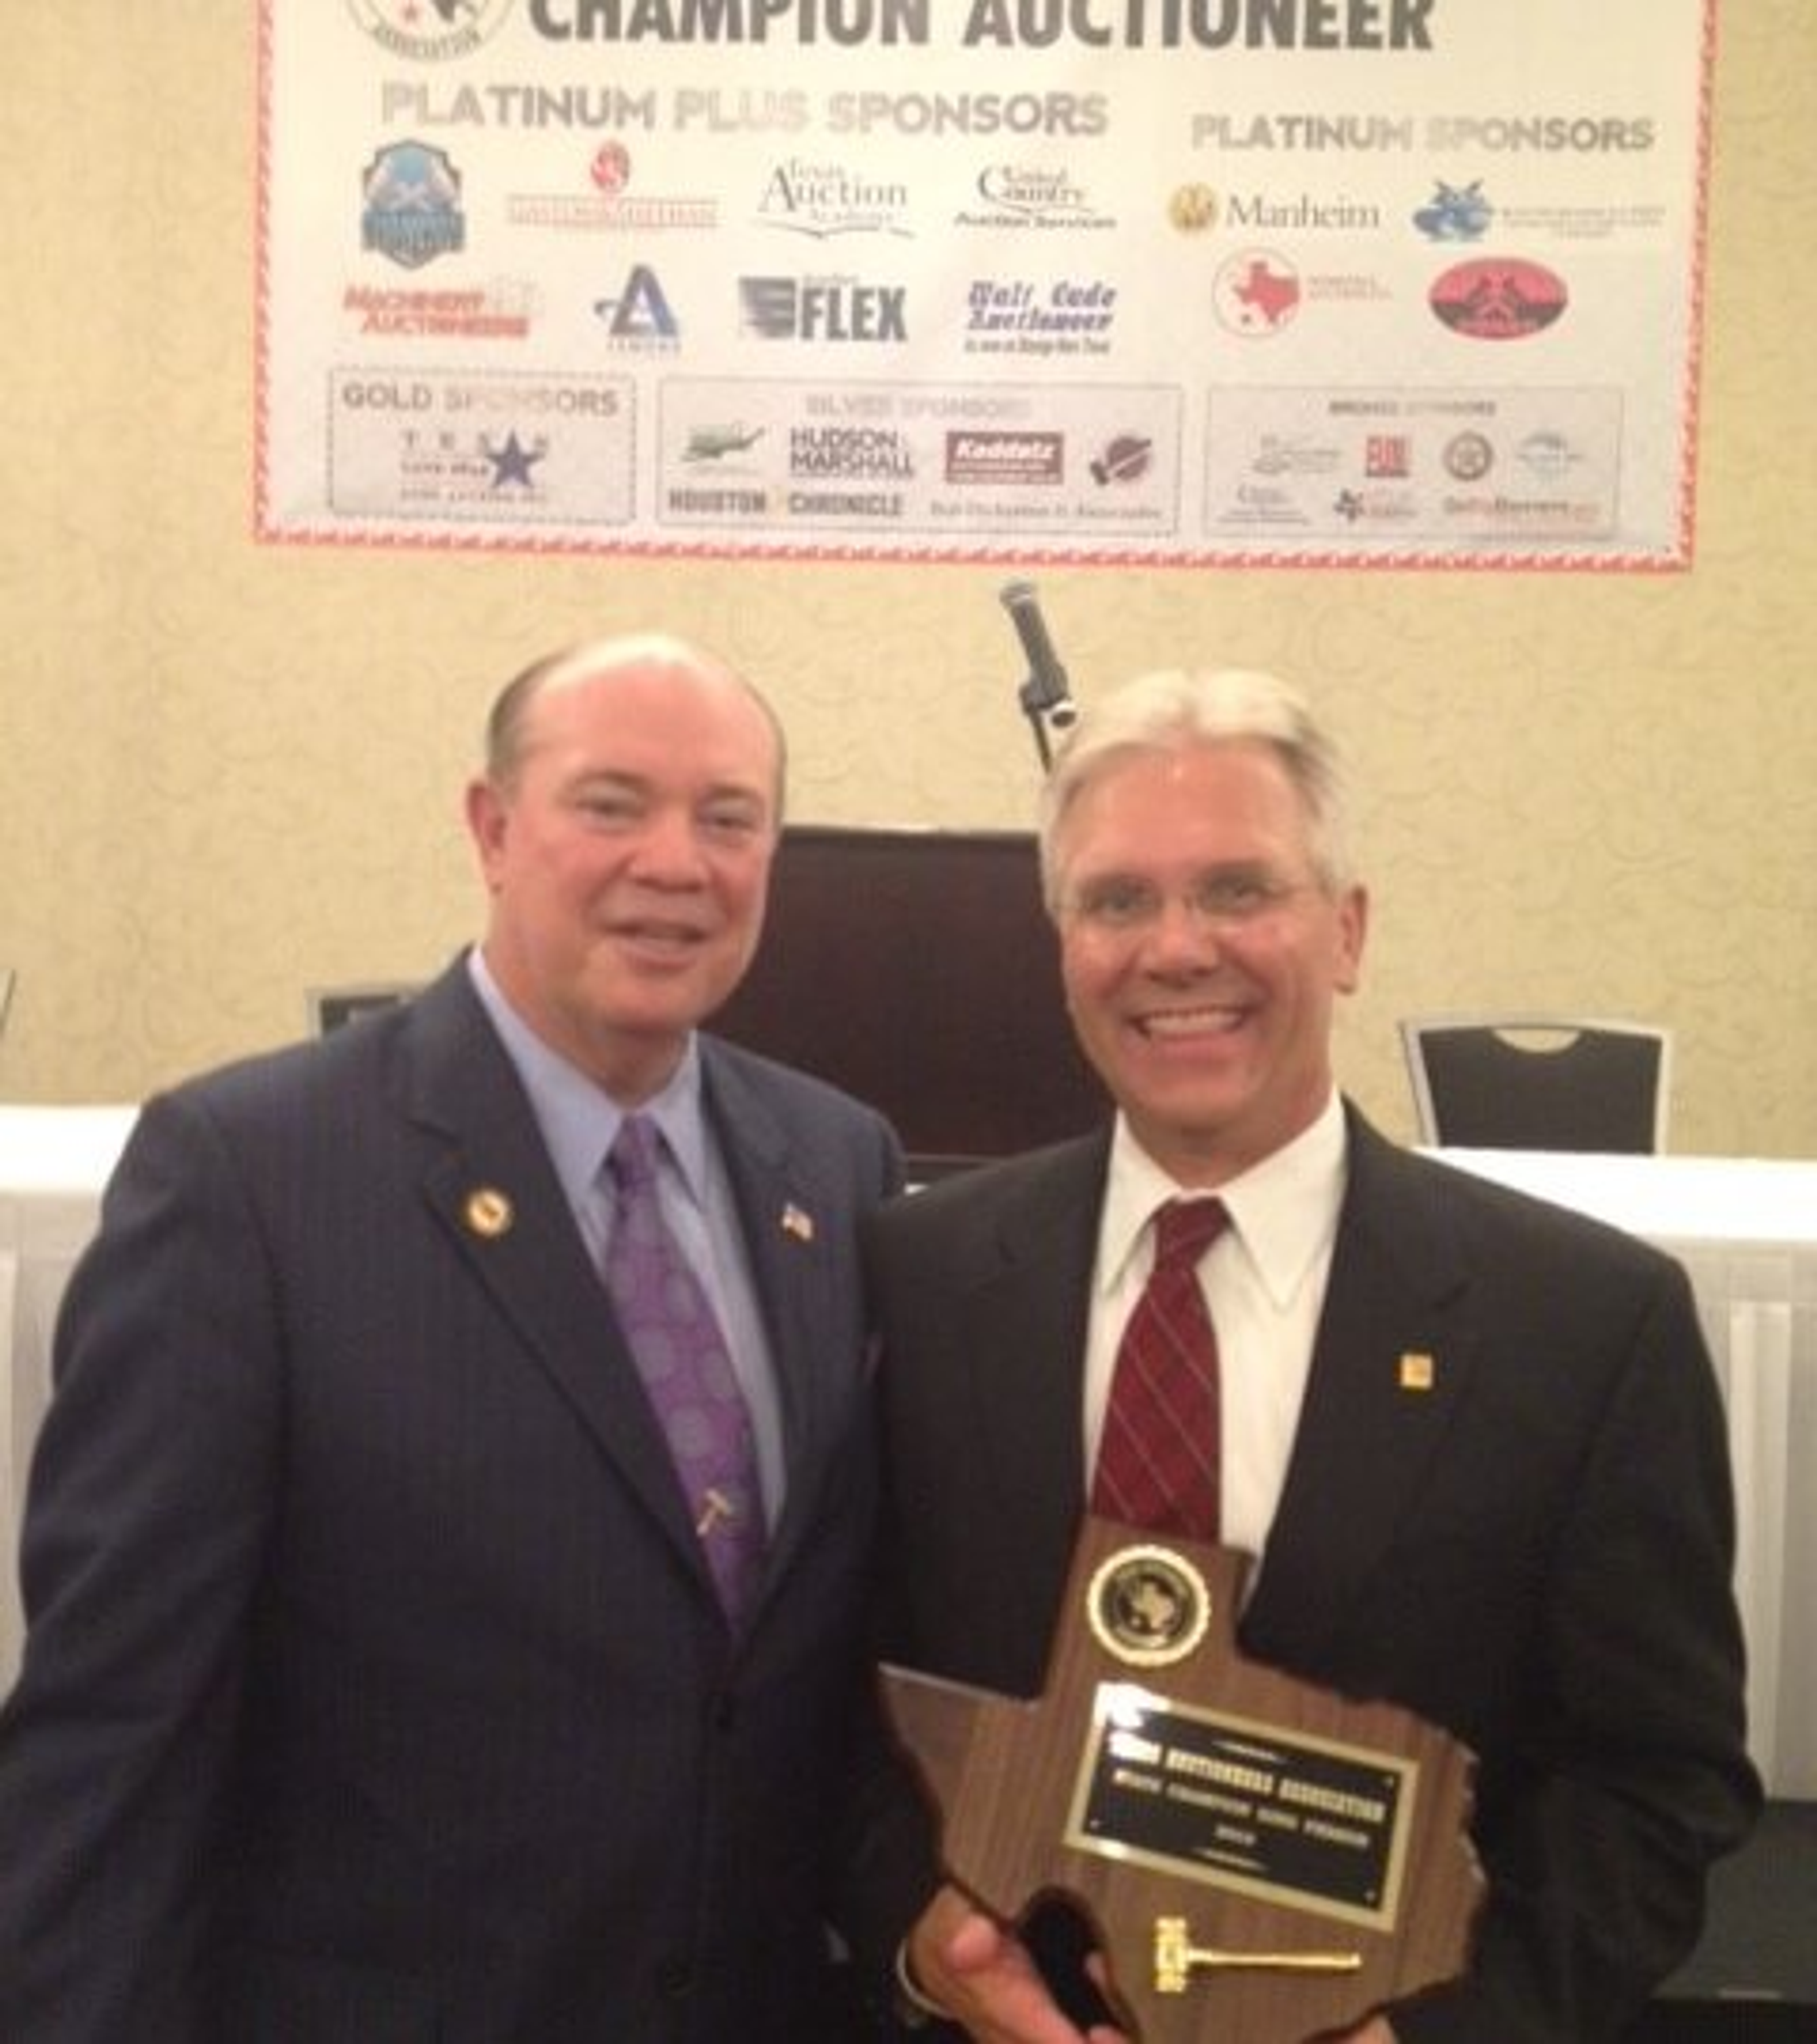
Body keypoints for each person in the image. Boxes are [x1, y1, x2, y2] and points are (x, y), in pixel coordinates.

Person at [0, 634, 909, 2042]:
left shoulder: (837, 1165)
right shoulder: (250, 1179)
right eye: (611, 804)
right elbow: (115, 1740)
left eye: (729, 818)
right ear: (492, 828)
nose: (676, 862)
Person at [867, 667, 1759, 2041]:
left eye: (1239, 891)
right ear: (1062, 943)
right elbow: (826, 1695)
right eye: (1117, 901)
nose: (1175, 950)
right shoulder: (918, 1280)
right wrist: (929, 1955)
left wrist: (1435, 2035)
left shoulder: (1583, 1326)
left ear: (1345, 930)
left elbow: (1652, 1783)